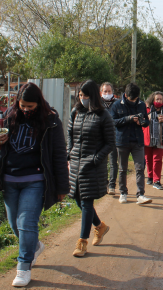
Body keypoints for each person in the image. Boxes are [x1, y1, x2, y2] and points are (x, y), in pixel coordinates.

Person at [0, 83, 69, 286]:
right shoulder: (9, 115)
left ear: (38, 104)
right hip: (9, 180)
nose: (25, 110)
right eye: (23, 105)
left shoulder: (51, 120)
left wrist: (61, 187)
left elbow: (59, 155)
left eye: (30, 107)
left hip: (35, 180)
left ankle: (24, 266)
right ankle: (34, 246)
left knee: (26, 223)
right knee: (14, 224)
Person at [68, 80, 116, 257]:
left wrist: (96, 159)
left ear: (93, 96)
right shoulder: (76, 112)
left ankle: (82, 242)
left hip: (92, 166)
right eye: (80, 96)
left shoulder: (104, 115)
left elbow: (110, 143)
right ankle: (100, 226)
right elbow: (69, 133)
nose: (82, 99)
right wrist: (69, 153)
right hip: (75, 163)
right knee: (77, 199)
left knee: (86, 201)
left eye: (85, 96)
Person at [110, 82, 152, 205]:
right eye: (132, 99)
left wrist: (142, 122)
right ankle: (123, 193)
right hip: (122, 141)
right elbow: (113, 121)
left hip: (138, 141)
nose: (134, 101)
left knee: (140, 168)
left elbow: (146, 121)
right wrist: (128, 119)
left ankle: (141, 195)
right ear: (126, 95)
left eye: (136, 99)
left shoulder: (141, 104)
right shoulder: (116, 105)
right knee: (123, 169)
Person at [142, 91, 163, 190]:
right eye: (157, 99)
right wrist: (146, 119)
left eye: (160, 99)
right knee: (148, 159)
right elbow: (140, 121)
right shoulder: (146, 108)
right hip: (148, 139)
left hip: (161, 139)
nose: (159, 101)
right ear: (153, 99)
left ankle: (156, 181)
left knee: (157, 159)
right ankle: (150, 176)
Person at [100, 82, 118, 195]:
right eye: (105, 91)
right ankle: (103, 184)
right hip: (100, 137)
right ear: (101, 92)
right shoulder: (97, 104)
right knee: (101, 162)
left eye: (109, 91)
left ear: (113, 92)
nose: (107, 93)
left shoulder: (117, 103)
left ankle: (112, 185)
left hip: (114, 137)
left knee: (113, 162)